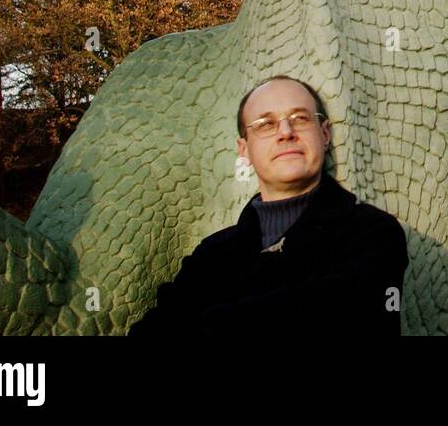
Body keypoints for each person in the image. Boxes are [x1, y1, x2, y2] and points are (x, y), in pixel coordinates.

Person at [129, 75, 408, 336]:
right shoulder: (211, 254)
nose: (286, 132)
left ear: (324, 134)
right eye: (265, 124)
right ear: (244, 149)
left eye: (300, 118)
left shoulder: (374, 233)